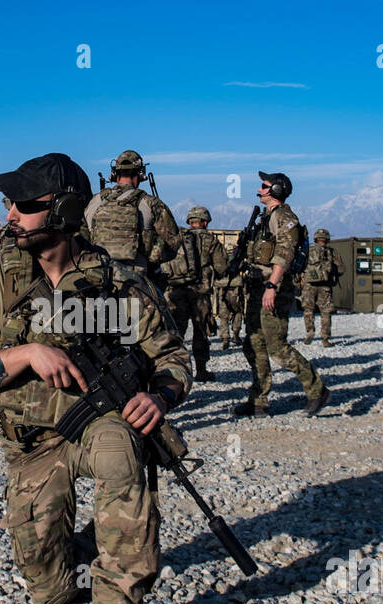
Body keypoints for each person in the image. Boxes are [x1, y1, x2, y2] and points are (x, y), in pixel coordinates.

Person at [0, 152, 192, 604]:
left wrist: (161, 397)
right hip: (34, 440)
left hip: (98, 423)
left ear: (65, 210)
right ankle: (83, 546)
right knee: (48, 590)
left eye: (25, 204)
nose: (10, 214)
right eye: (8, 203)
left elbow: (171, 355)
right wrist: (24, 355)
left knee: (123, 451)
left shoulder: (116, 280)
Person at [232, 172, 330, 418]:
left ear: (275, 189)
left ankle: (317, 390)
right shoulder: (266, 217)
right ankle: (259, 400)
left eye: (264, 185)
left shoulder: (284, 217)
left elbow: (285, 253)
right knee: (253, 344)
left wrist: (272, 287)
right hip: (257, 286)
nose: (260, 188)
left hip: (272, 287)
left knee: (277, 346)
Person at [81, 149, 180, 276]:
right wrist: (151, 257)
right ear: (140, 174)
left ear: (114, 173)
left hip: (97, 277)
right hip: (137, 280)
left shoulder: (94, 202)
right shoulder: (151, 203)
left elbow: (82, 238)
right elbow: (173, 243)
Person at [160, 206, 227, 381]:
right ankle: (201, 370)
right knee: (201, 332)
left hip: (175, 292)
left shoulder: (177, 238)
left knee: (176, 333)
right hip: (200, 294)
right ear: (205, 222)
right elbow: (221, 267)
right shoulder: (210, 240)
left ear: (190, 222)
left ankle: (172, 373)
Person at [299, 228, 343, 347]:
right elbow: (341, 269)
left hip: (309, 285)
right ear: (327, 239)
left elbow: (299, 265)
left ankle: (310, 331)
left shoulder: (308, 250)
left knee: (308, 310)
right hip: (325, 286)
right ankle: (325, 339)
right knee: (326, 312)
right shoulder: (332, 252)